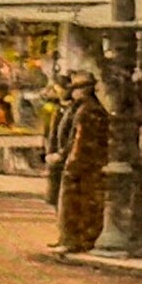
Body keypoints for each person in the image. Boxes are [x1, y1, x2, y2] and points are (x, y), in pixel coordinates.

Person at [54, 72, 109, 253]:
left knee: (79, 205)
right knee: (78, 204)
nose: (73, 93)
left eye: (76, 89)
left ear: (83, 90)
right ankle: (71, 239)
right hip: (82, 163)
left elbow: (80, 140)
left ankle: (76, 240)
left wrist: (71, 162)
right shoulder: (82, 108)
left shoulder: (88, 110)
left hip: (83, 165)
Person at [42, 82, 77, 210]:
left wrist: (61, 154)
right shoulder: (57, 110)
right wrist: (49, 153)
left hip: (67, 157)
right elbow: (51, 135)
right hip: (56, 158)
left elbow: (73, 136)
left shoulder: (73, 110)